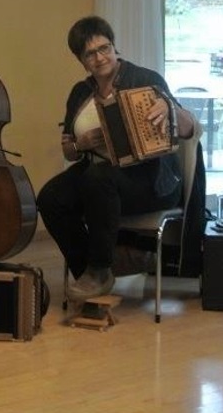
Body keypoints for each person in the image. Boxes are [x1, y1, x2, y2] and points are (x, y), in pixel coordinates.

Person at [36, 16, 197, 300]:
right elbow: (68, 151)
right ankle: (92, 267)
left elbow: (190, 129)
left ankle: (100, 269)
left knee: (97, 178)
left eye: (104, 48)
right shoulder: (80, 92)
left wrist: (169, 107)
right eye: (90, 53)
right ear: (81, 60)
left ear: (114, 46)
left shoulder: (146, 79)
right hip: (99, 175)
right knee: (50, 197)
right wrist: (80, 143)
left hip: (150, 179)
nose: (100, 58)